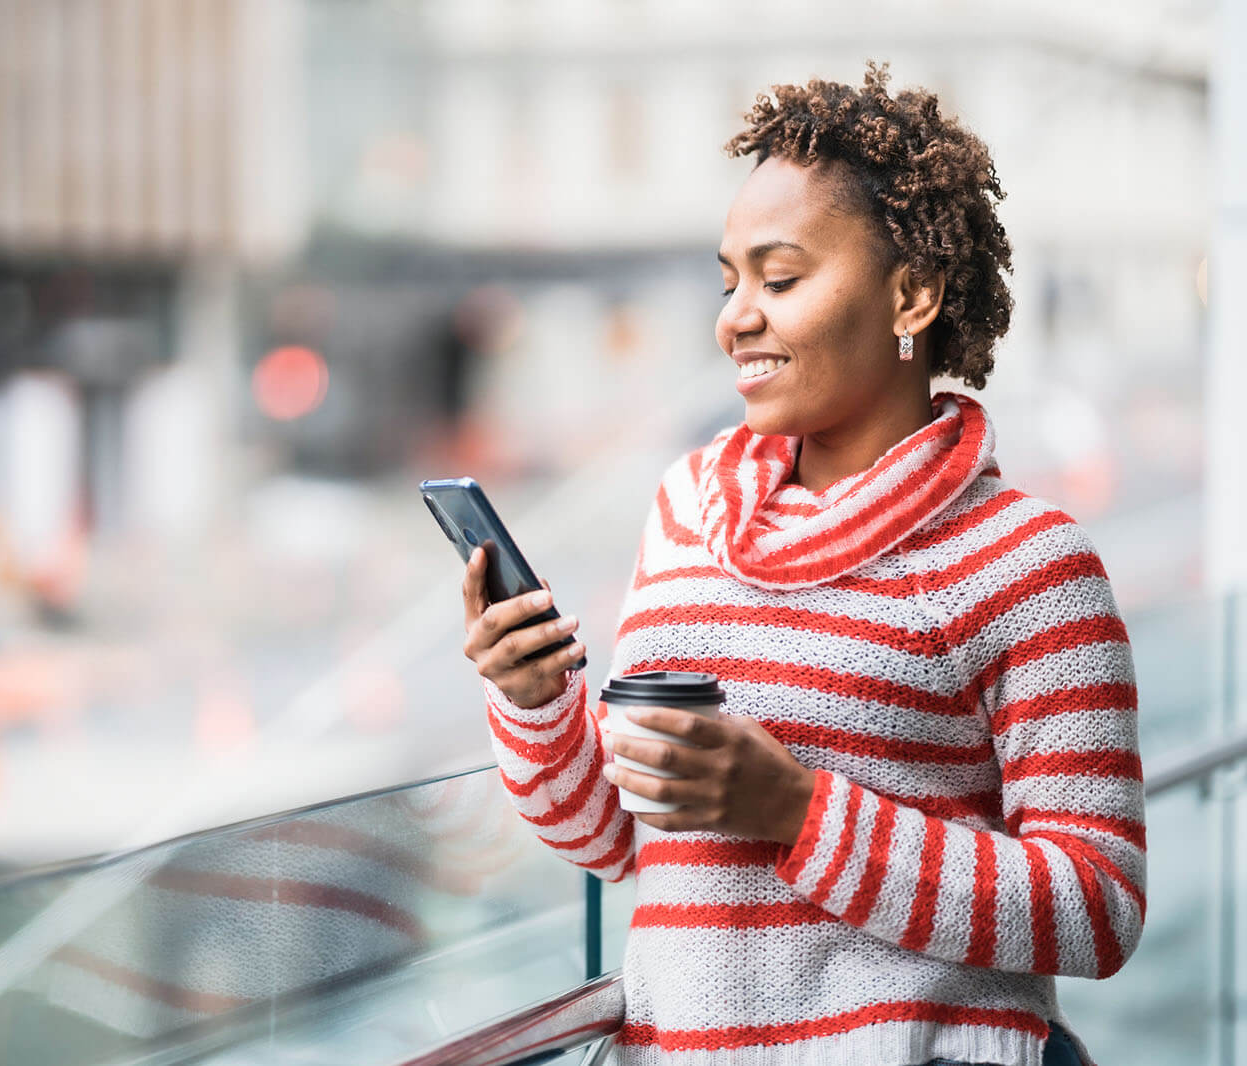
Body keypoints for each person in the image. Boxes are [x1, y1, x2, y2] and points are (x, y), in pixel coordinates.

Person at [459, 64, 1141, 1066]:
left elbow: (1095, 905)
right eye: (729, 280)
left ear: (911, 294)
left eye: (779, 280)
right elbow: (615, 840)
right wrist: (534, 703)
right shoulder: (686, 510)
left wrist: (796, 811)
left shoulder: (1030, 564)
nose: (737, 315)